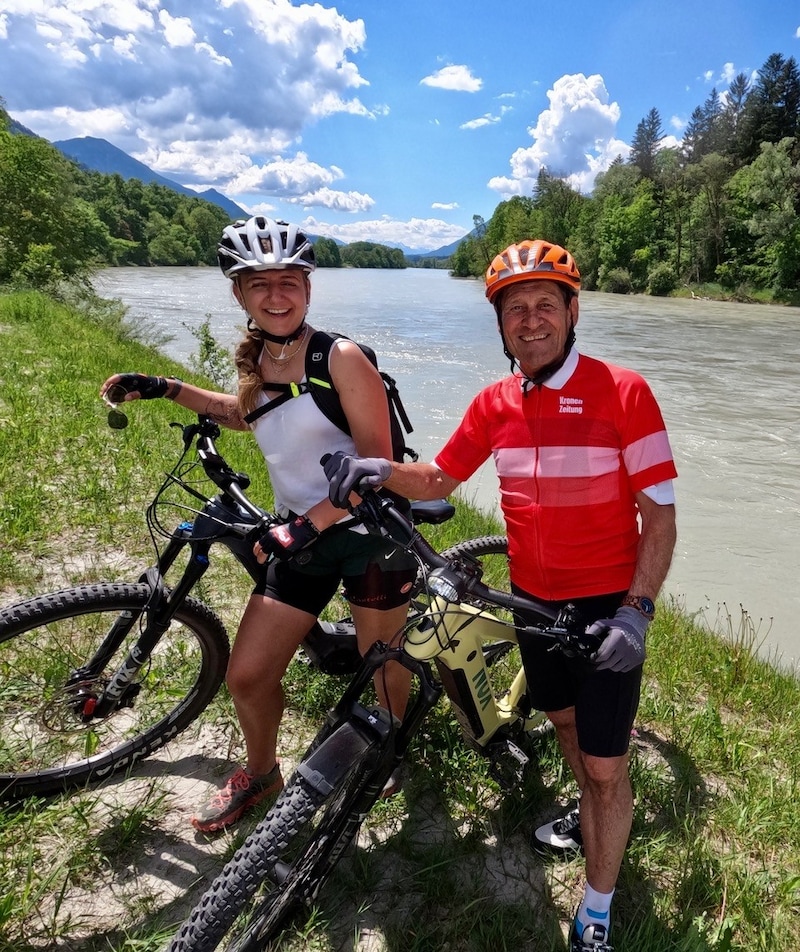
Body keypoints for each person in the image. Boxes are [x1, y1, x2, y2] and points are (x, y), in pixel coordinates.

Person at [323, 239, 677, 952]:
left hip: (609, 607)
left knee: (607, 768)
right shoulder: (495, 403)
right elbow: (438, 479)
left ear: (573, 311)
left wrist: (637, 613)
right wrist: (378, 468)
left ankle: (598, 910)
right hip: (533, 604)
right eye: (516, 309)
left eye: (547, 303)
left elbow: (660, 516)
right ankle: (588, 812)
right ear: (500, 324)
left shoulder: (624, 392)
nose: (532, 319)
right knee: (568, 727)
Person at [100, 216, 416, 833]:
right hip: (303, 536)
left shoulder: (340, 358)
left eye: (289, 281)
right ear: (239, 294)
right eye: (260, 283)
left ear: (308, 287)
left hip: (368, 535)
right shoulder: (262, 359)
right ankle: (263, 773)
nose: (277, 295)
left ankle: (385, 750)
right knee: (247, 677)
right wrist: (167, 387)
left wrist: (307, 527)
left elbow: (379, 469)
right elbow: (247, 415)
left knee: (381, 659)